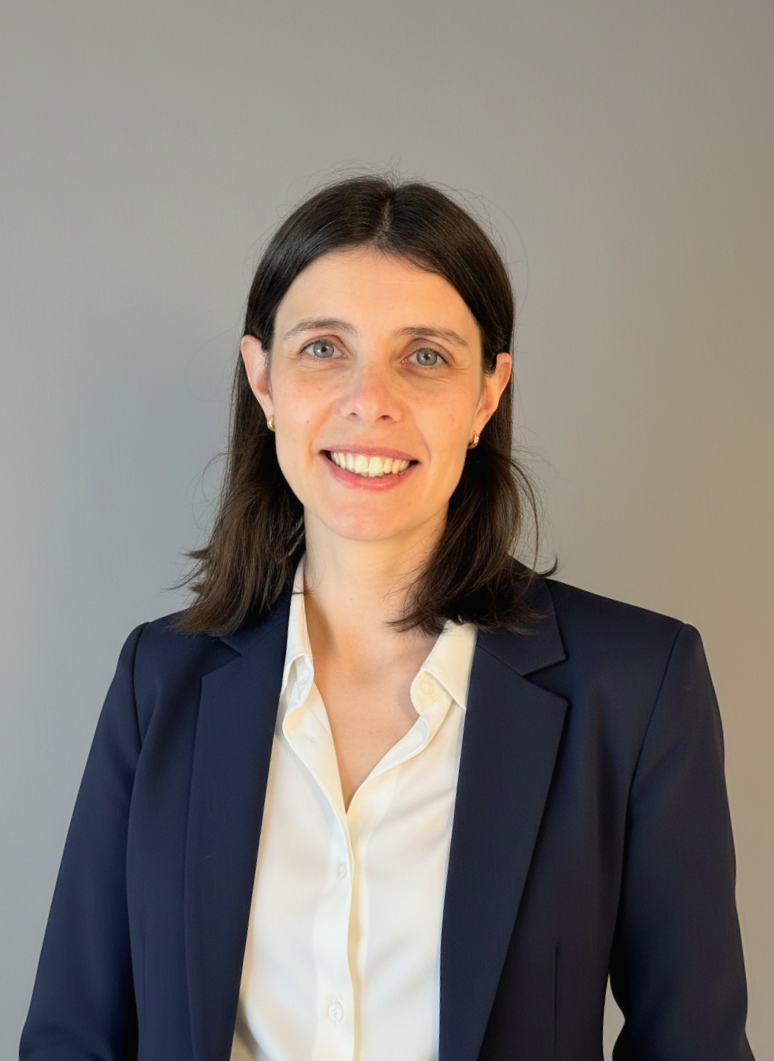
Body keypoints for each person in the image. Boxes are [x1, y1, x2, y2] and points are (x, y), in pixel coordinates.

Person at [20, 175, 755, 1061]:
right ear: (263, 378)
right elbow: (71, 1038)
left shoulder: (635, 686)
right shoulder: (159, 682)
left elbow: (694, 1044)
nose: (370, 399)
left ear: (487, 393)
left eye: (426, 356)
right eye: (324, 348)